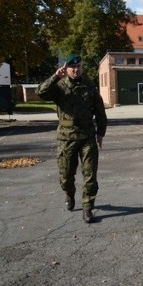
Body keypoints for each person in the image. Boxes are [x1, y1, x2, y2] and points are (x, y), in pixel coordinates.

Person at [36, 53, 107, 223]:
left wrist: (100, 133)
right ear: (66, 68)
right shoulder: (59, 86)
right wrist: (55, 76)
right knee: (66, 175)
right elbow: (40, 92)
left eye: (78, 66)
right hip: (66, 138)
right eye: (72, 67)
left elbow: (100, 112)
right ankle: (69, 193)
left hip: (87, 137)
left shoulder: (90, 87)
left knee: (90, 175)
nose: (76, 70)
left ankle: (88, 207)